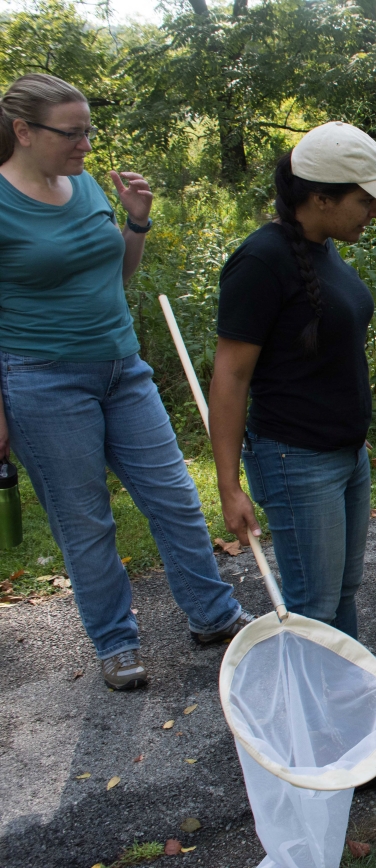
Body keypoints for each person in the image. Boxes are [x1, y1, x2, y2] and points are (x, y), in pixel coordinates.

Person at [0, 73, 251, 690]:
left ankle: (213, 616)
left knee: (175, 498)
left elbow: (115, 275)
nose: (85, 144)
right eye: (71, 133)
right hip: (42, 380)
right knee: (85, 521)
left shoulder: (84, 185)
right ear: (23, 131)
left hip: (122, 367)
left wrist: (136, 224)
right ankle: (115, 643)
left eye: (88, 130)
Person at [209, 122, 376, 639]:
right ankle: (310, 692)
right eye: (365, 201)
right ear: (321, 198)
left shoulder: (320, 245)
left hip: (346, 453)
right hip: (295, 459)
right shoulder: (261, 260)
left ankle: (346, 688)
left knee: (342, 592)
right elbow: (231, 377)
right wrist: (229, 486)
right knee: (313, 606)